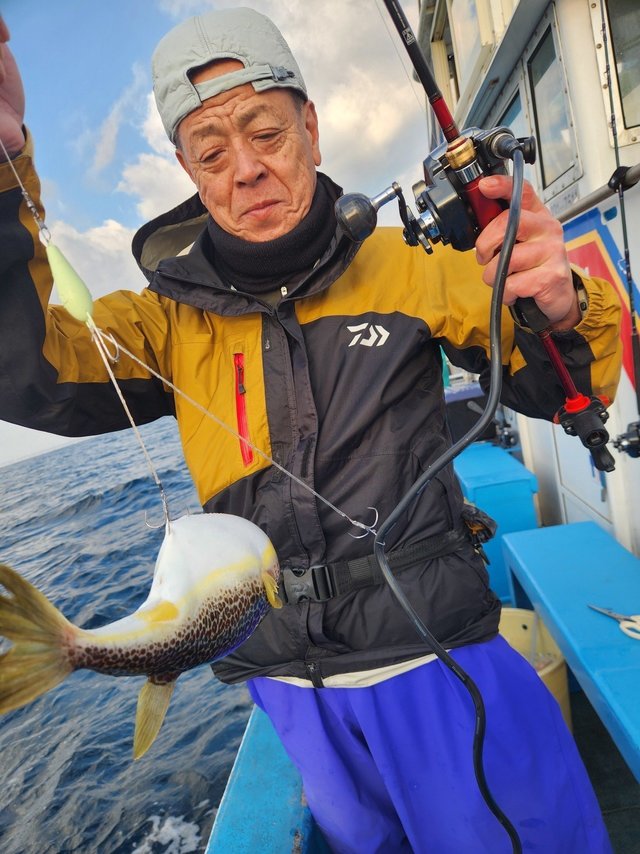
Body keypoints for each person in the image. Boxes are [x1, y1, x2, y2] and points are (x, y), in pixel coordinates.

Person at [0, 8, 622, 853]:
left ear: (313, 130)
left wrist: (564, 305)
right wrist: (4, 171)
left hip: (437, 661)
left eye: (266, 133)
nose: (246, 169)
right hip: (288, 691)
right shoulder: (162, 323)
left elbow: (565, 391)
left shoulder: (414, 265)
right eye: (211, 152)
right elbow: (29, 373)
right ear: (188, 171)